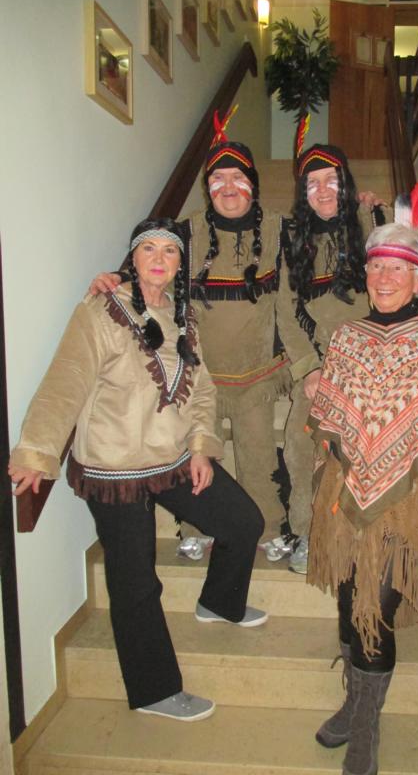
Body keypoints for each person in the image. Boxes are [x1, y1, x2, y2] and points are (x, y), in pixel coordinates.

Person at [9, 218, 268, 721]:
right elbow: (66, 380)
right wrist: (37, 451)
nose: (158, 259)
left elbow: (202, 389)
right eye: (148, 249)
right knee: (136, 581)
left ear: (180, 264)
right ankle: (153, 692)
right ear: (133, 258)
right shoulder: (101, 310)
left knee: (243, 522)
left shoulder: (184, 315)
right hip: (114, 468)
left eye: (169, 252)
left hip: (172, 457)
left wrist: (200, 446)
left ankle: (220, 602)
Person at [305, 222, 418, 775]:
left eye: (398, 269)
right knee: (347, 602)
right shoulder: (348, 336)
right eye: (377, 267)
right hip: (344, 491)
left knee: (376, 608)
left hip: (410, 494)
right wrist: (318, 391)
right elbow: (330, 410)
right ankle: (354, 705)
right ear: (366, 274)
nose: (385, 278)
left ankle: (366, 728)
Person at [89, 139, 319, 554]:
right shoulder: (184, 233)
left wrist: (307, 365)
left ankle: (268, 529)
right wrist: (117, 279)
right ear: (206, 187)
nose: (228, 187)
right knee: (196, 459)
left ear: (253, 183)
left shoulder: (280, 230)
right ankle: (196, 528)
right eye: (217, 179)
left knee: (259, 460)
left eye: (237, 177)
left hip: (258, 378)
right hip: (200, 379)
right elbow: (152, 270)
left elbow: (296, 292)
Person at [273, 145, 418, 574]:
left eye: (331, 180)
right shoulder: (293, 242)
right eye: (312, 183)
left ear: (347, 184)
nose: (322, 190)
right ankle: (307, 531)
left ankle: (373, 538)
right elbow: (285, 310)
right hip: (325, 365)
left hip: (384, 363)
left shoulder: (379, 219)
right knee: (299, 444)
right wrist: (308, 368)